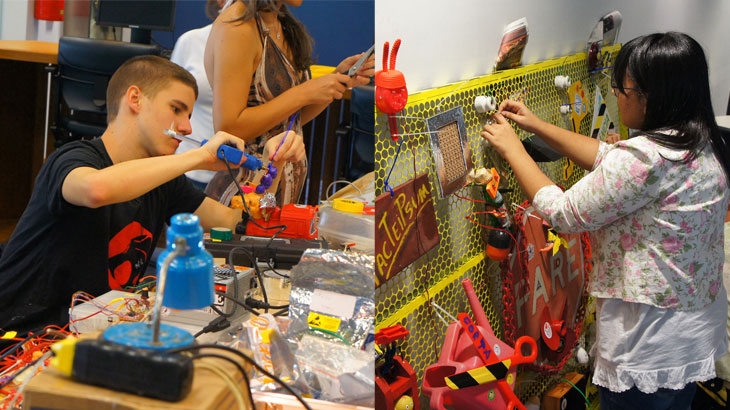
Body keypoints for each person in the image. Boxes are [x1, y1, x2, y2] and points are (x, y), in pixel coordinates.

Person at [481, 32, 730, 409]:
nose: (615, 93)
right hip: (690, 338)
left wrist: (514, 149)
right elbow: (609, 157)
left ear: (652, 96)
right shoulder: (699, 143)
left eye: (622, 87)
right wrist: (537, 126)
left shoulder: (646, 160)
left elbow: (562, 213)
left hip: (649, 347)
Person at [0, 55, 304, 335]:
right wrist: (197, 157)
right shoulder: (72, 160)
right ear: (135, 99)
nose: (185, 127)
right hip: (24, 337)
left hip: (94, 336)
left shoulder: (165, 182)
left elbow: (232, 220)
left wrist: (270, 166)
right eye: (176, 109)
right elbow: (96, 190)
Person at [203, 0, 374, 206]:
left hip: (277, 197)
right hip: (244, 196)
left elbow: (288, 121)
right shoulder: (237, 26)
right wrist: (303, 92)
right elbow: (228, 128)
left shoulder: (277, 21)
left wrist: (337, 80)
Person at [170, 0, 229, 191]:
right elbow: (169, 104)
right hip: (190, 170)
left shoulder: (267, 48)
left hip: (241, 174)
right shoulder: (191, 41)